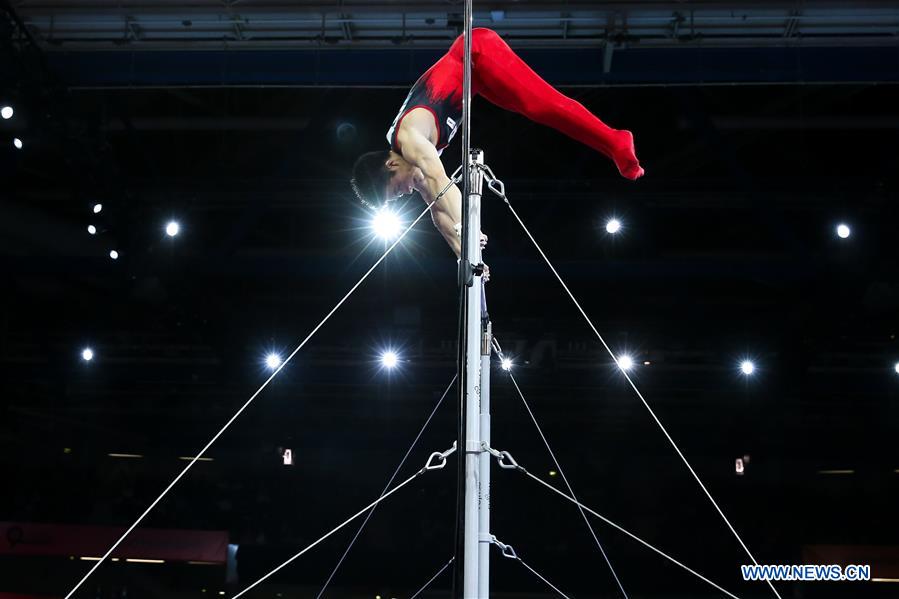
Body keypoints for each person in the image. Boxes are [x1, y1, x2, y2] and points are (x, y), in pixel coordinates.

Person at [351, 27, 643, 258]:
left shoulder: (410, 139)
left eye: (397, 189)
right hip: (477, 79)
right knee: (536, 110)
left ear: (391, 163)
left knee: (541, 105)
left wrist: (465, 229)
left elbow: (441, 181)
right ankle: (613, 142)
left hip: (476, 52)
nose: (406, 192)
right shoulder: (412, 164)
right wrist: (464, 255)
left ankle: (616, 140)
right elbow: (440, 214)